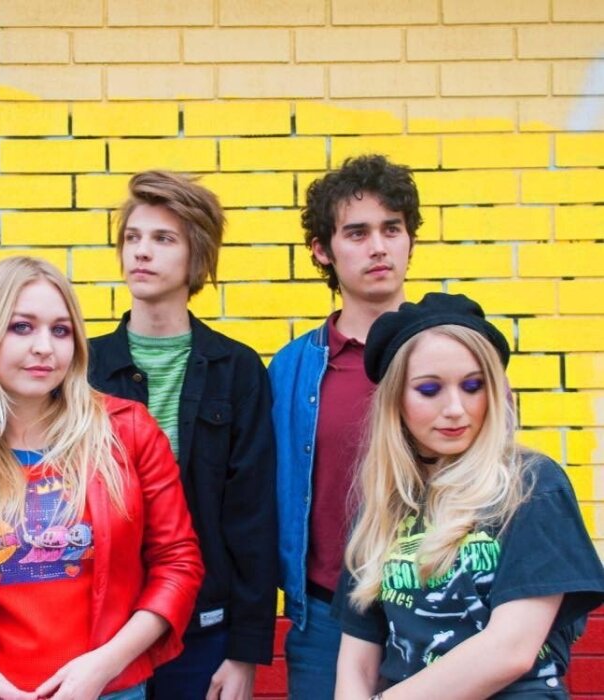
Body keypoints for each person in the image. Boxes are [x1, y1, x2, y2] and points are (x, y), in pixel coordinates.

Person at [0, 256, 204, 700]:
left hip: (108, 690)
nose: (45, 346)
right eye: (22, 327)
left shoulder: (128, 432)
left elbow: (178, 564)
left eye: (61, 330)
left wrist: (105, 665)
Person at [335, 292, 604, 699]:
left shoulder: (530, 485)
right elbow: (358, 662)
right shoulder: (382, 508)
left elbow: (510, 650)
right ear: (396, 402)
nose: (456, 409)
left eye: (473, 386)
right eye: (430, 390)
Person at [88, 170, 277, 700]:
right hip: (100, 627)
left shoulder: (236, 369)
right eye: (132, 237)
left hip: (203, 627)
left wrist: (245, 651)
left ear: (197, 256)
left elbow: (252, 516)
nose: (141, 251)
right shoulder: (83, 367)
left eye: (163, 238)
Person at [268, 154, 422, 697]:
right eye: (357, 233)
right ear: (322, 250)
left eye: (391, 229)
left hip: (434, 607)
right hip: (325, 620)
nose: (378, 247)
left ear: (409, 240)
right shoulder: (291, 369)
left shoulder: (452, 355)